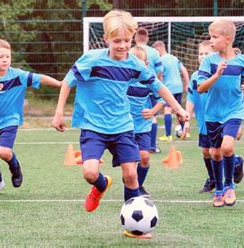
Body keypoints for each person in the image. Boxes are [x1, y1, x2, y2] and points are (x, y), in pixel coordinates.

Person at [52, 10, 188, 238]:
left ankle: (134, 228)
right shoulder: (92, 60)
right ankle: (101, 185)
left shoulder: (134, 64)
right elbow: (67, 82)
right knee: (89, 172)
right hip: (94, 126)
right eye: (117, 41)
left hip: (123, 126)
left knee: (131, 175)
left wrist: (178, 108)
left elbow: (158, 87)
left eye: (127, 40)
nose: (123, 45)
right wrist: (58, 113)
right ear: (106, 39)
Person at [0, 39, 61, 195]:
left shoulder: (18, 75)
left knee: (4, 152)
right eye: (1, 56)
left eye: (7, 57)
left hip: (10, 120)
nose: (5, 60)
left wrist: (60, 84)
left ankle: (15, 168)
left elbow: (40, 78)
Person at [197, 20, 244, 207]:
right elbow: (201, 88)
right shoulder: (209, 61)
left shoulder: (243, 61)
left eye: (214, 37)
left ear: (227, 39)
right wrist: (216, 75)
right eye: (210, 36)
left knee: (227, 147)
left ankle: (229, 186)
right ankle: (218, 190)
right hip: (213, 113)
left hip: (234, 111)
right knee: (216, 153)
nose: (210, 40)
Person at [184, 41, 244, 194]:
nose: (203, 57)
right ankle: (214, 179)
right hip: (205, 120)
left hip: (222, 117)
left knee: (218, 151)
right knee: (206, 151)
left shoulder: (225, 75)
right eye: (200, 54)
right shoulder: (196, 76)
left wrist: (238, 125)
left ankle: (233, 167)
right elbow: (191, 97)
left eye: (207, 54)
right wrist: (186, 119)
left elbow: (234, 100)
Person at [128, 45, 164, 198]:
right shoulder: (123, 80)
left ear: (146, 64)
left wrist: (153, 111)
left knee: (145, 157)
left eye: (139, 63)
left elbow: (162, 99)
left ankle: (139, 186)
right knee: (129, 162)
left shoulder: (150, 80)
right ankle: (131, 184)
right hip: (125, 126)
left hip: (143, 126)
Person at [133, 27, 164, 154]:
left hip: (146, 88)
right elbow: (160, 72)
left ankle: (145, 144)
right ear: (147, 38)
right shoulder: (155, 52)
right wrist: (159, 84)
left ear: (135, 38)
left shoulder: (130, 52)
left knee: (147, 114)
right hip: (152, 85)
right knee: (151, 115)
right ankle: (152, 145)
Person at [152, 40, 190, 141]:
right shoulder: (174, 58)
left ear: (158, 49)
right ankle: (185, 132)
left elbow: (159, 74)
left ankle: (168, 135)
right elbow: (184, 70)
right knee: (178, 110)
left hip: (169, 88)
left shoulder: (160, 60)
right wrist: (187, 83)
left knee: (167, 110)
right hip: (179, 87)